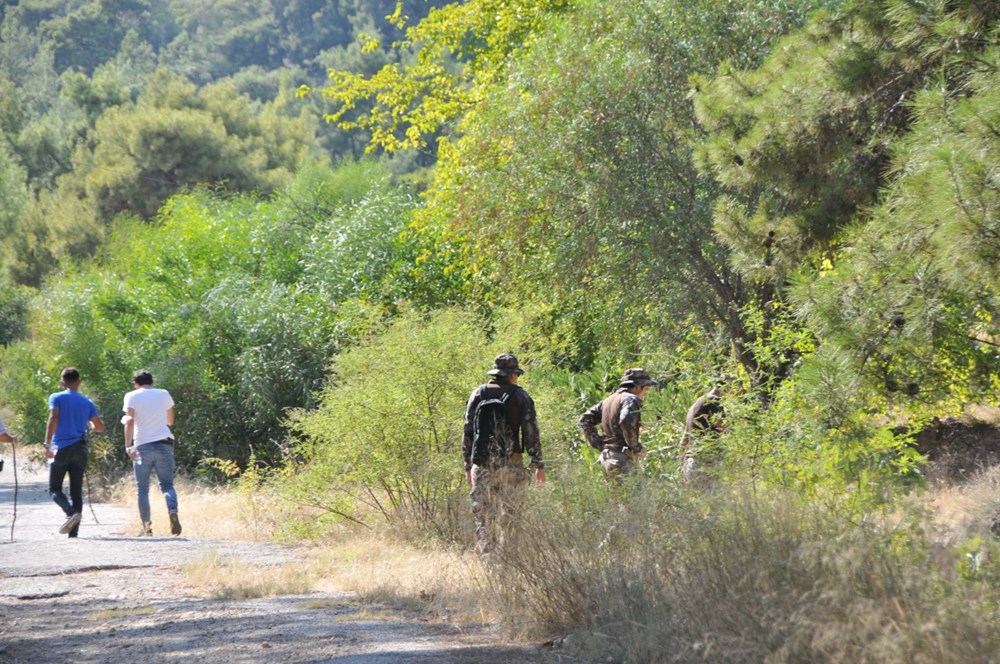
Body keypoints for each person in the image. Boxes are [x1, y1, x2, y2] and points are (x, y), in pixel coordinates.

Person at [462, 353, 544, 554]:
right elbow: (530, 432)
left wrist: (467, 465)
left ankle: (488, 560)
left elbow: (468, 431)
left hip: (481, 466)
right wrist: (538, 464)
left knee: (483, 518)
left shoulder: (477, 394)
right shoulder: (520, 396)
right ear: (512, 375)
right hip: (512, 466)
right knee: (512, 517)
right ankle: (510, 559)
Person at [45, 367, 105, 538]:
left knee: (55, 488)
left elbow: (54, 418)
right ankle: (74, 532)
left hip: (61, 449)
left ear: (62, 382)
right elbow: (99, 427)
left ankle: (70, 513)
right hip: (80, 449)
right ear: (79, 382)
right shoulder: (87, 402)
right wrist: (90, 425)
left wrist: (47, 443)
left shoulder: (56, 397)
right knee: (76, 490)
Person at [123, 369, 181, 536]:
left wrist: (128, 445)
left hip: (142, 446)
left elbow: (129, 421)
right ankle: (172, 510)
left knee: (142, 489)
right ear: (152, 382)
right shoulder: (163, 394)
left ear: (136, 383)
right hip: (164, 443)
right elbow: (170, 421)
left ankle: (147, 527)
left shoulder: (132, 396)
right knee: (167, 485)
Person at [579, 367, 659, 478]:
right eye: (645, 389)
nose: (646, 393)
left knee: (615, 495)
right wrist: (637, 448)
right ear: (637, 387)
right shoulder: (631, 399)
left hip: (607, 459)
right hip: (621, 460)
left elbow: (585, 420)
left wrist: (599, 444)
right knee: (633, 494)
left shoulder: (608, 400)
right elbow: (626, 419)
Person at [680, 377, 730, 477]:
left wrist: (681, 465)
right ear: (727, 388)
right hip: (706, 462)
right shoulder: (713, 401)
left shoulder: (695, 404)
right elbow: (721, 425)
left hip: (690, 463)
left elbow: (684, 440)